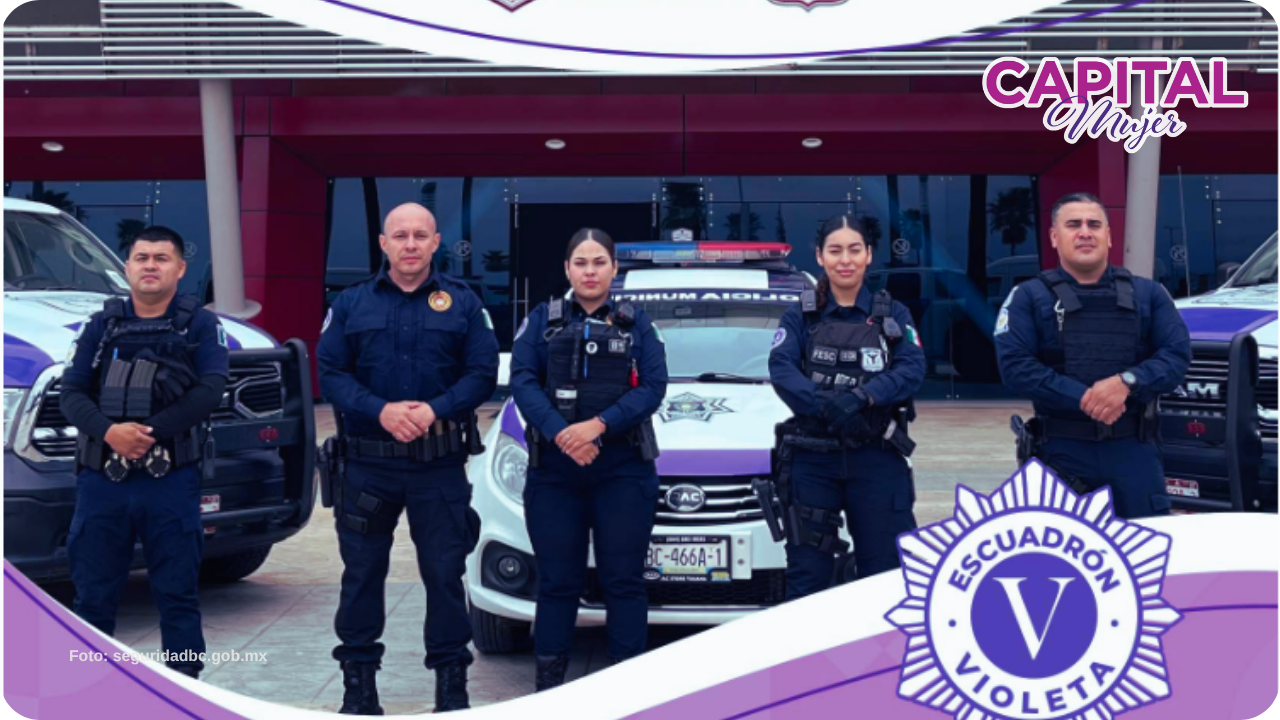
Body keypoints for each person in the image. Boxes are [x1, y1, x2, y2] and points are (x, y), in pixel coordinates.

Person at [317, 203, 498, 714]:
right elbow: (331, 372)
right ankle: (359, 692)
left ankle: (451, 690)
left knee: (444, 575)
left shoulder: (464, 302)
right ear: (383, 243)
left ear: (436, 242)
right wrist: (381, 410)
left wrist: (434, 410)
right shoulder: (351, 303)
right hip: (367, 466)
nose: (411, 244)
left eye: (421, 235)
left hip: (437, 466)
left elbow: (482, 373)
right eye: (400, 235)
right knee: (361, 575)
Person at [61, 226, 229, 679]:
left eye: (161, 258)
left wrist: (148, 432)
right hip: (103, 481)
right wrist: (110, 432)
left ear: (180, 268)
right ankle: (87, 695)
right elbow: (71, 393)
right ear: (127, 267)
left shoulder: (200, 324)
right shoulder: (101, 325)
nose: (150, 265)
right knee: (92, 598)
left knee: (177, 597)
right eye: (141, 257)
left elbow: (211, 390)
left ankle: (184, 693)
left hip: (170, 480)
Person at [509, 228, 668, 691]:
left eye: (600, 262)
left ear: (614, 268)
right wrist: (563, 434)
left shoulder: (638, 324)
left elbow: (653, 387)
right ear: (567, 269)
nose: (590, 271)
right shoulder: (542, 321)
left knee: (624, 582)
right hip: (555, 474)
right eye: (581, 262)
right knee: (558, 583)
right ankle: (551, 691)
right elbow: (523, 381)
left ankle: (624, 691)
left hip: (622, 470)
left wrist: (597, 426)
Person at [995, 192, 1191, 519]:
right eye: (1074, 224)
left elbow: (1176, 355)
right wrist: (1088, 398)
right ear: (1054, 237)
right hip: (1061, 454)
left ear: (1109, 236)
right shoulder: (1027, 297)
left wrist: (1127, 383)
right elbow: (1016, 368)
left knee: (1146, 547)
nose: (1085, 232)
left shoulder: (1149, 294)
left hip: (1134, 454)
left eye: (1094, 225)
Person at [767, 215, 926, 600]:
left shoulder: (893, 314)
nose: (845, 260)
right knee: (807, 578)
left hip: (876, 458)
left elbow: (912, 367)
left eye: (854, 250)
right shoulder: (800, 314)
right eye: (835, 251)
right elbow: (781, 368)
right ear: (819, 256)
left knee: (887, 578)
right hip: (813, 461)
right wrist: (822, 402)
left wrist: (863, 397)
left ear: (868, 255)